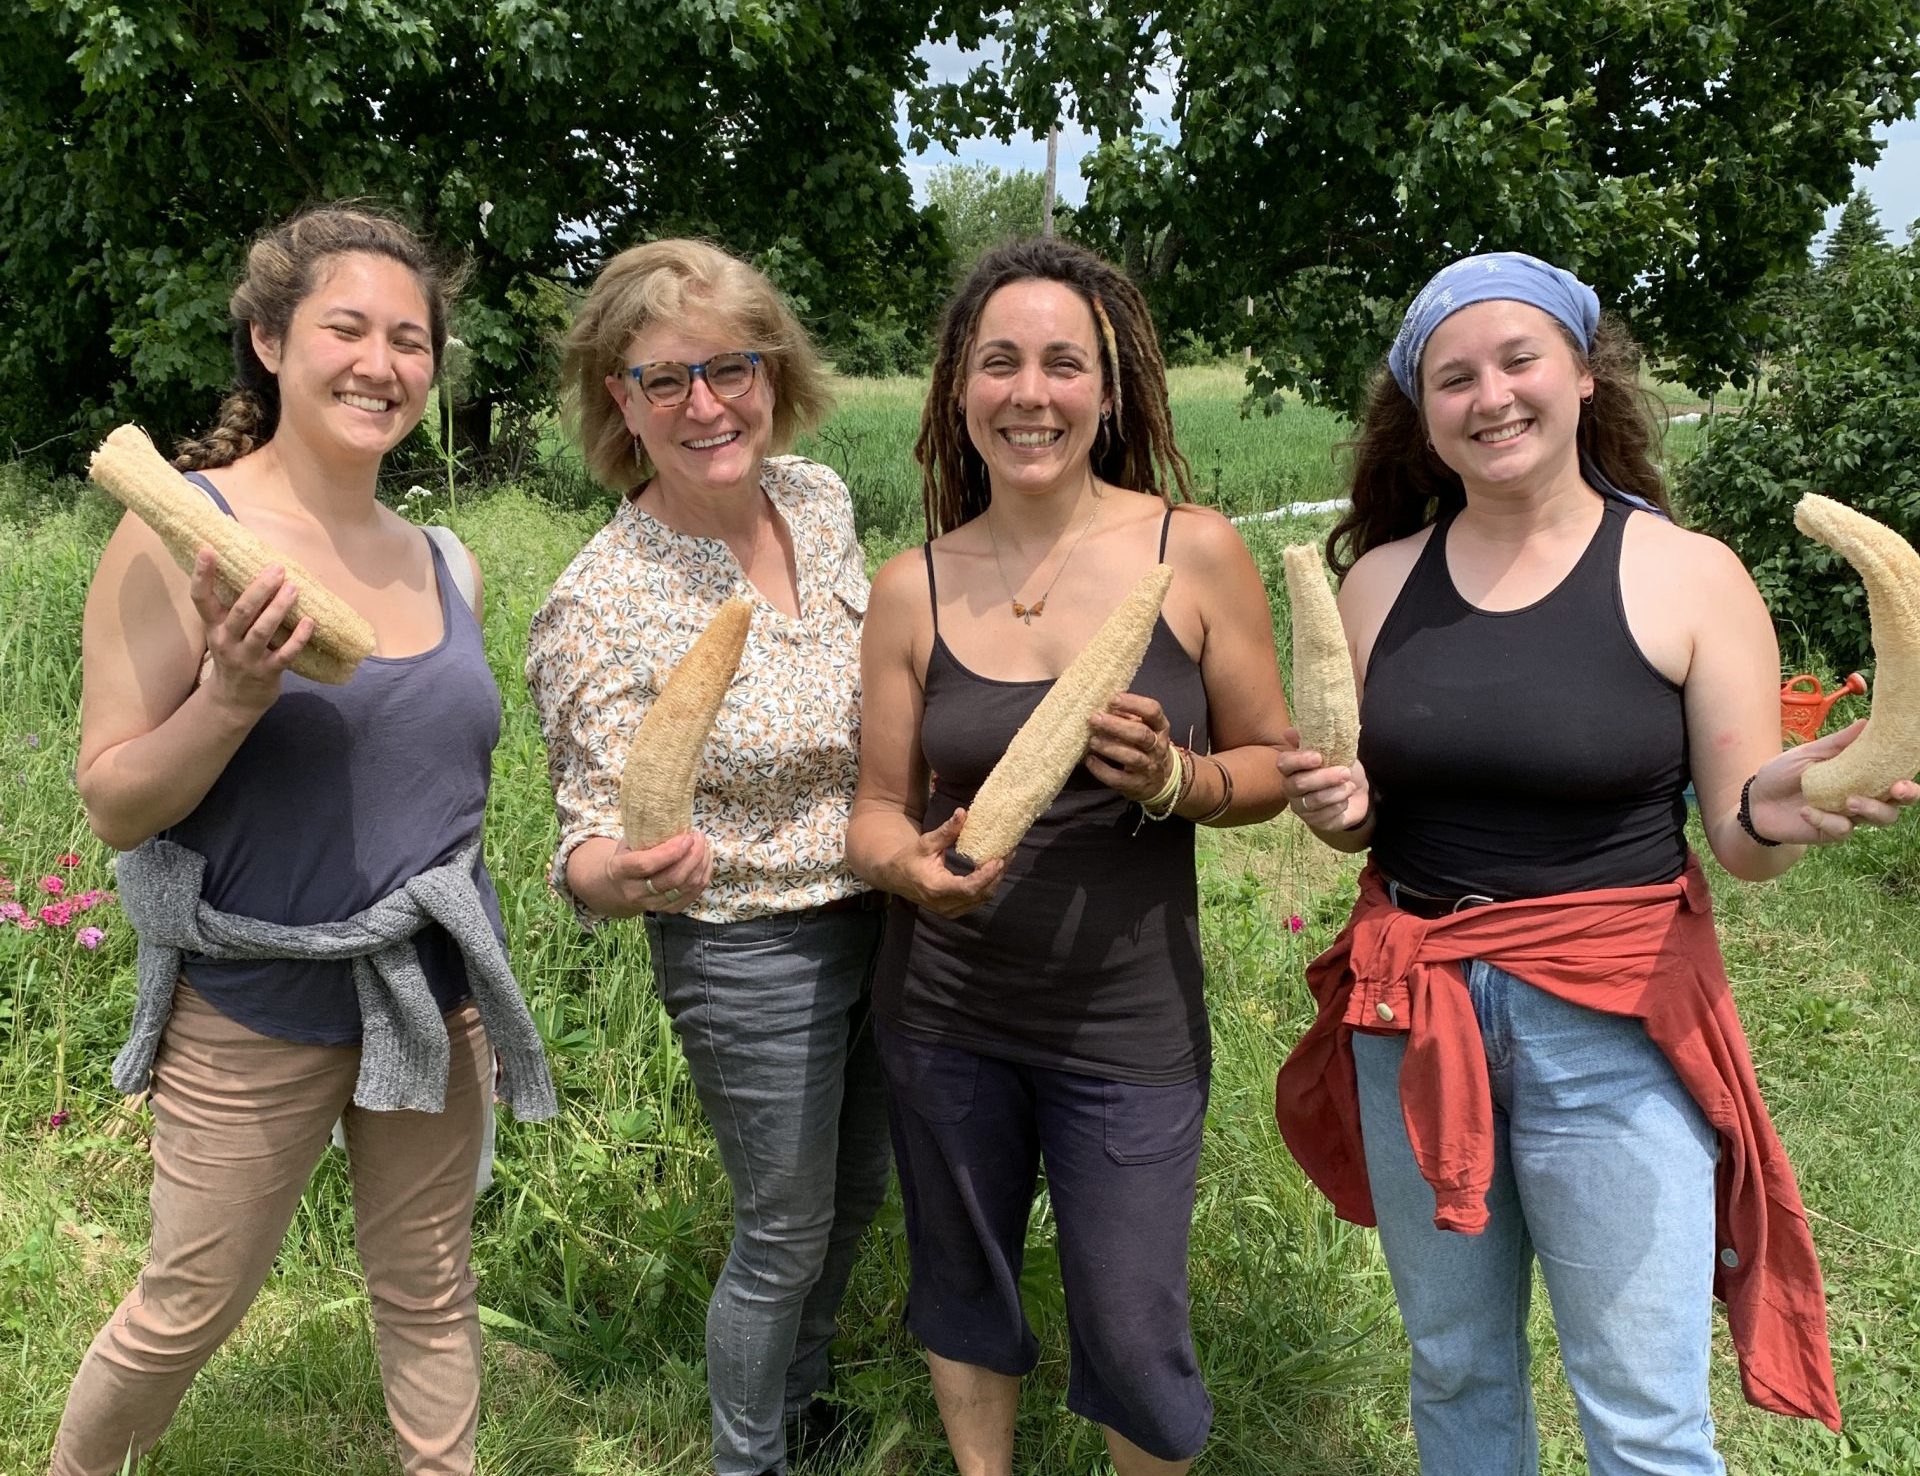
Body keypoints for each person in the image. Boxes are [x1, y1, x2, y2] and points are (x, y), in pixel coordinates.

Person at [1273, 251, 1919, 1476]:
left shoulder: (1689, 574)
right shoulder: (1380, 584)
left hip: (1614, 1022)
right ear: (1425, 413)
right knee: (1456, 1368)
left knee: (1642, 1408)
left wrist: (1787, 805)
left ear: (1581, 374)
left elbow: (1738, 831)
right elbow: (1365, 819)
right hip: (1412, 1018)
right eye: (1454, 378)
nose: (1492, 396)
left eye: (1519, 360)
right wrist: (1339, 811)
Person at [54, 205, 555, 1476]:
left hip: (430, 994)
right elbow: (114, 801)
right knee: (189, 1305)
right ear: (270, 341)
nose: (381, 364)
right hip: (252, 1002)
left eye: (410, 340)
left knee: (430, 1289)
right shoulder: (175, 534)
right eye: (347, 329)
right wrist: (229, 697)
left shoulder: (445, 561)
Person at [846, 237, 1292, 1476]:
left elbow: (1272, 764)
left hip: (1126, 1021)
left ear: (1110, 386)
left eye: (1062, 364)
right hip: (945, 1009)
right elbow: (874, 810)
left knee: (1135, 1327)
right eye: (999, 363)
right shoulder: (912, 586)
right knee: (961, 1285)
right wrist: (905, 868)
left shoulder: (1192, 553)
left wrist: (1177, 780)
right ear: (958, 389)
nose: (1029, 393)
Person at [524, 238, 887, 1476]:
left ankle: (804, 1404)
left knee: (855, 1198)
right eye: (664, 380)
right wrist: (619, 876)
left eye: (730, 367)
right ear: (619, 402)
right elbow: (586, 833)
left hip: (886, 910)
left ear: (773, 373)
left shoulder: (819, 502)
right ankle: (748, 1459)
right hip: (750, 949)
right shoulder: (601, 599)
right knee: (783, 1228)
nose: (706, 405)